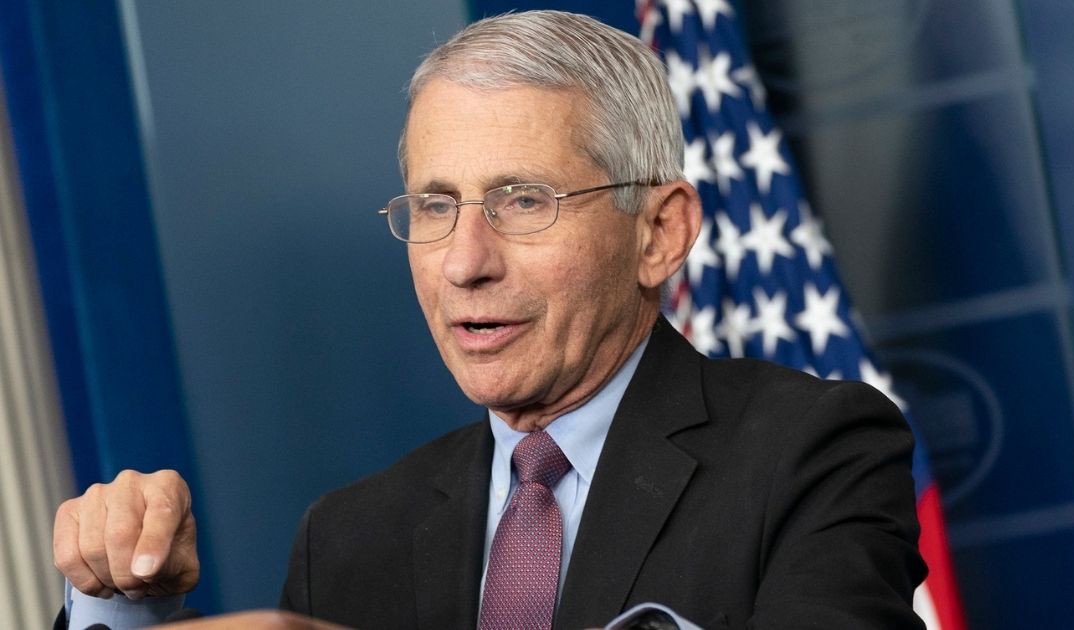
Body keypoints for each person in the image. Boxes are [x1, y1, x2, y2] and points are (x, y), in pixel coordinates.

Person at [52, 10, 926, 629]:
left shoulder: (814, 453)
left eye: (524, 200)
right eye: (434, 207)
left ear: (660, 233)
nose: (466, 261)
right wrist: (126, 610)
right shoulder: (349, 541)